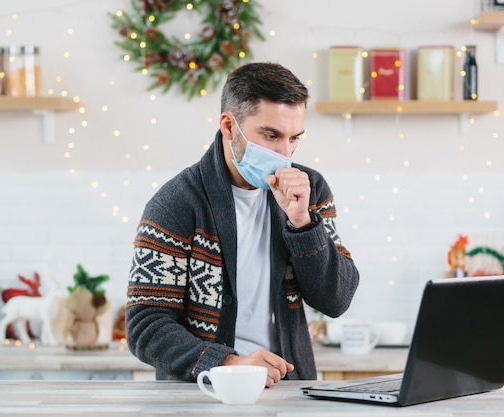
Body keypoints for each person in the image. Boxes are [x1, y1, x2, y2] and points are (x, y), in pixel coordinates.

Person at [126, 62, 360, 388]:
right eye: (271, 135)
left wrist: (303, 223)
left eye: (294, 138)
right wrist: (228, 364)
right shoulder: (176, 205)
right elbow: (145, 326)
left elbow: (336, 300)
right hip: (204, 395)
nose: (284, 153)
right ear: (228, 126)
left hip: (289, 390)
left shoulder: (310, 190)